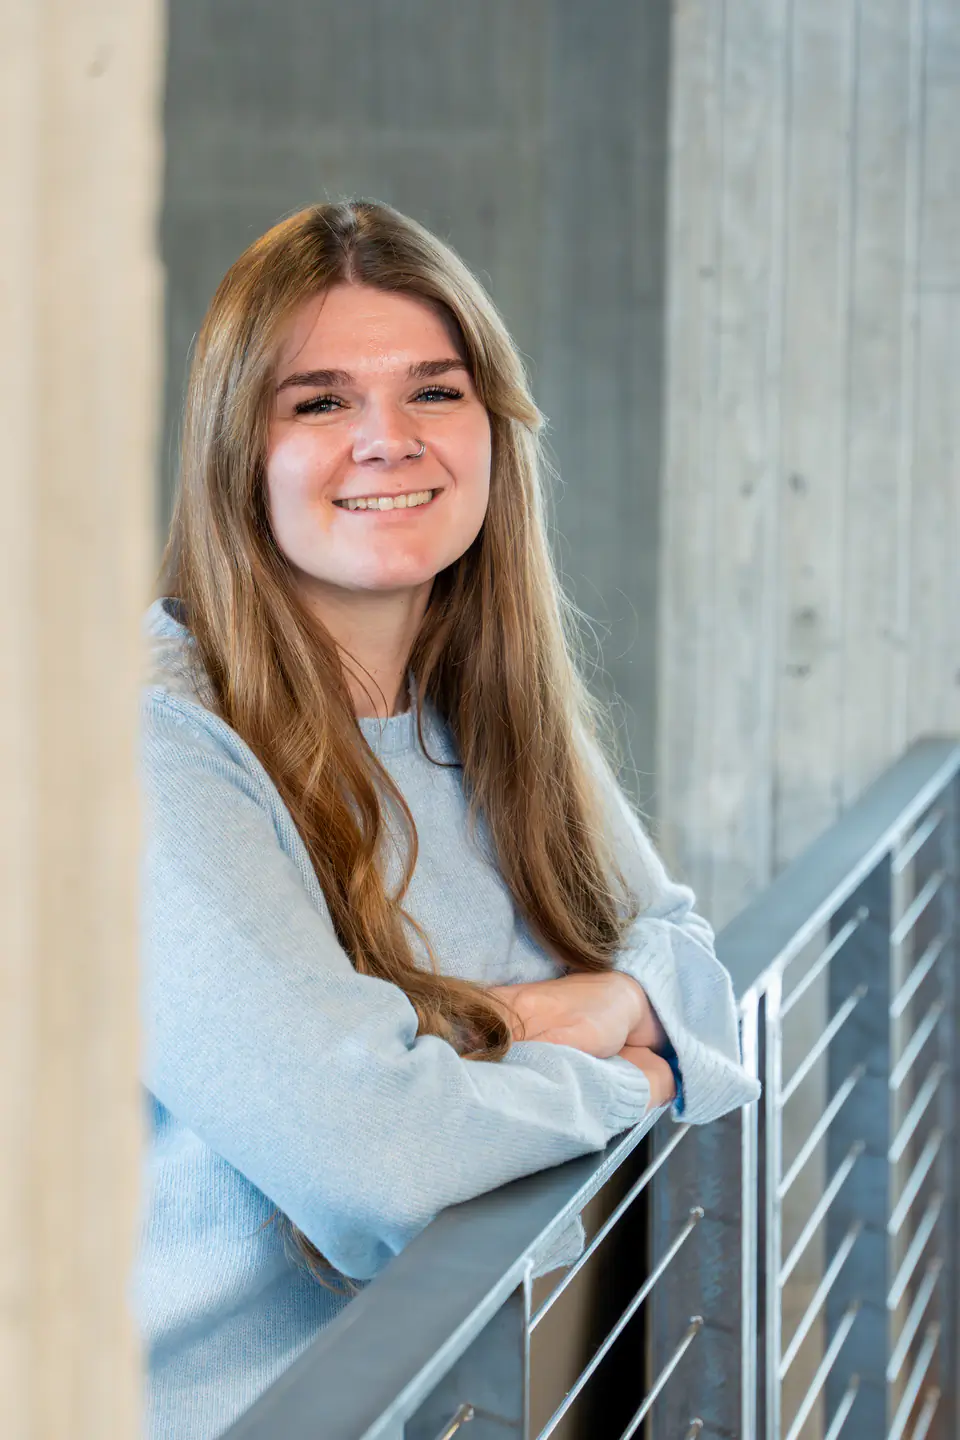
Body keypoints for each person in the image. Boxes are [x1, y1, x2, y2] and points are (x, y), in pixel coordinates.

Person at [136, 198, 760, 1439]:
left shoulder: (487, 705)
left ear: (493, 429)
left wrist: (455, 1043)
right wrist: (619, 1067)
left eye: (435, 392)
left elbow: (686, 962)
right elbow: (375, 1164)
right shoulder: (157, 748)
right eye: (318, 401)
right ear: (234, 451)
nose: (390, 441)